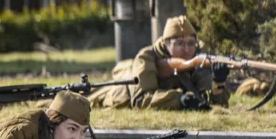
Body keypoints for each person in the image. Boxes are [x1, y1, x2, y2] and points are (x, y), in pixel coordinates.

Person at [88, 15, 231, 110]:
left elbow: (214, 105)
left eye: (191, 43)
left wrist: (218, 83)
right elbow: (140, 100)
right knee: (102, 96)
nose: (187, 50)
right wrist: (180, 100)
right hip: (125, 89)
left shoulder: (200, 56)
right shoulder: (147, 57)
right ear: (165, 43)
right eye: (179, 44)